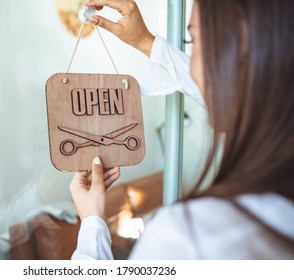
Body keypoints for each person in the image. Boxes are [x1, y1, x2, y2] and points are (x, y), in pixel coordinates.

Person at [69, 0, 294, 259]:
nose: (194, 66)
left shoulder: (185, 238)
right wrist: (145, 41)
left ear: (242, 51)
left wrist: (93, 222)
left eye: (195, 41)